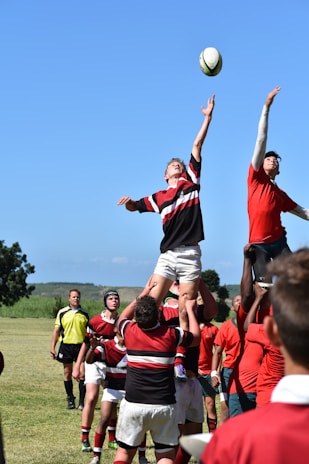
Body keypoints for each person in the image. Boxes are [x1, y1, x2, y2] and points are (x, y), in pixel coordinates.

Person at [197, 247, 309, 463]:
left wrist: (248, 262)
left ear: (274, 332)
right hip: (248, 386)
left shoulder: (237, 439)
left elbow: (249, 303)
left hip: (260, 393)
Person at [117, 95, 216, 333]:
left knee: (186, 308)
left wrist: (207, 118)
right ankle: (140, 340)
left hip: (191, 254)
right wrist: (130, 203)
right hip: (169, 254)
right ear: (165, 175)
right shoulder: (158, 197)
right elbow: (136, 207)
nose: (178, 165)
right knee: (151, 302)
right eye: (173, 165)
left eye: (179, 165)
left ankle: (180, 359)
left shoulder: (191, 182)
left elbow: (197, 146)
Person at [113, 283, 201, 464]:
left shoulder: (129, 330)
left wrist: (143, 293)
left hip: (134, 403)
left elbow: (122, 317)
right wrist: (191, 311)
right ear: (159, 315)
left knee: (124, 454)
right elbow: (195, 337)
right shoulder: (171, 334)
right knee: (165, 455)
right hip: (163, 404)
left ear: (137, 316)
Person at [248, 86, 309, 284]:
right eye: (269, 159)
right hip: (258, 245)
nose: (272, 160)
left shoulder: (281, 195)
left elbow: (304, 213)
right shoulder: (255, 178)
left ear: (279, 169)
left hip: (279, 244)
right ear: (261, 164)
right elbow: (261, 140)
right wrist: (266, 108)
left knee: (300, 279)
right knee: (263, 289)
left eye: (276, 160)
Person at [72, 290, 120, 453]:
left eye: (116, 299)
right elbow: (85, 344)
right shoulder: (95, 322)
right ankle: (85, 437)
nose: (114, 301)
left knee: (112, 401)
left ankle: (112, 438)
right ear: (105, 302)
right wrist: (78, 365)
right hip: (94, 363)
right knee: (91, 398)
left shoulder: (122, 322)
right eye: (111, 299)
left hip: (112, 365)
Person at [85, 325, 127, 464]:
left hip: (130, 388)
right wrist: (92, 348)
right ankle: (96, 456)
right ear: (116, 329)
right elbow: (89, 360)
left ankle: (142, 457)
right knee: (104, 419)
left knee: (136, 422)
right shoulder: (106, 346)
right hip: (112, 387)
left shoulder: (134, 345)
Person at [244, 282, 285, 408]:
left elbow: (247, 327)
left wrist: (258, 298)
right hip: (288, 396)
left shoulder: (272, 334)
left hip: (268, 394)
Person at [50, 288, 89, 410]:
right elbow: (56, 331)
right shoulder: (62, 313)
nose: (76, 299)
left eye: (78, 297)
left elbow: (89, 333)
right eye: (73, 297)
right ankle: (70, 399)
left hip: (80, 347)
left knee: (82, 374)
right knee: (67, 373)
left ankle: (82, 402)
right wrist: (52, 347)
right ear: (69, 298)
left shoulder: (85, 314)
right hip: (66, 346)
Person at [210, 294, 241, 424]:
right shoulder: (226, 327)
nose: (240, 303)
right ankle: (223, 441)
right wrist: (214, 373)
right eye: (237, 301)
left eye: (242, 300)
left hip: (248, 372)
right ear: (232, 307)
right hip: (229, 372)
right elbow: (217, 352)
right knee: (225, 408)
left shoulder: (254, 324)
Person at [198, 317, 219, 433]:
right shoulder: (188, 326)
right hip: (192, 373)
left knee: (210, 405)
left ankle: (212, 437)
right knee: (193, 409)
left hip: (208, 373)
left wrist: (216, 373)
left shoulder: (214, 329)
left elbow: (218, 352)